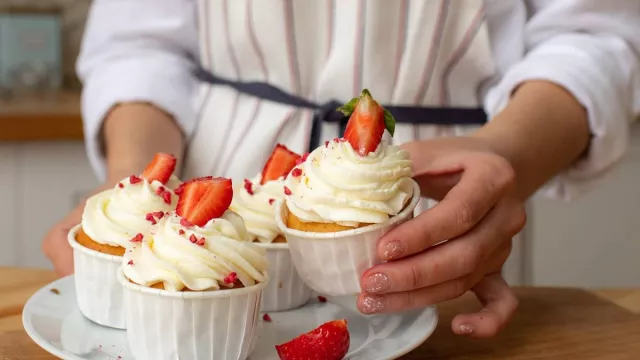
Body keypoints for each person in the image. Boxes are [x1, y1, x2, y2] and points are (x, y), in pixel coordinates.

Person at [43, 0, 640, 339]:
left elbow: (594, 36)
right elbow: (139, 44)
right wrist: (138, 191)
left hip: (444, 210)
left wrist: (504, 156)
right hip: (208, 215)